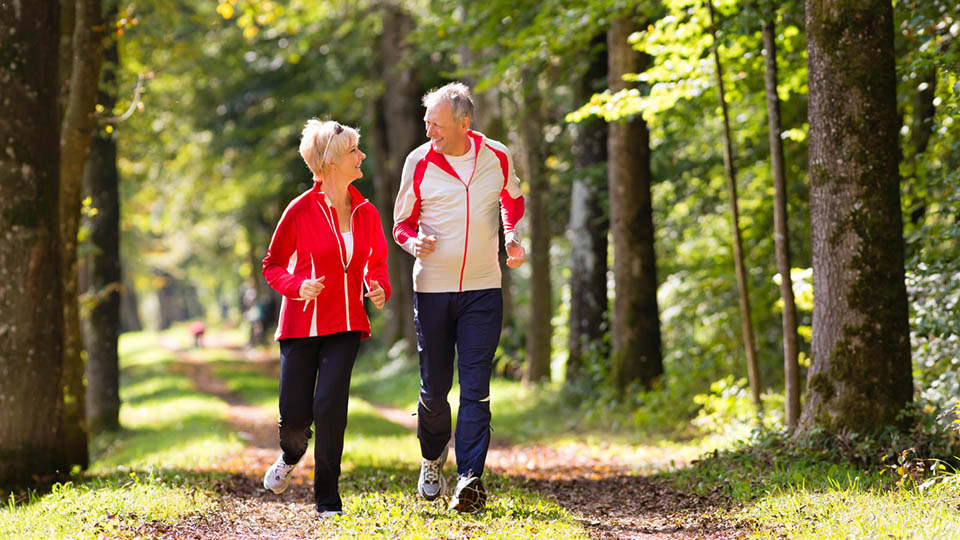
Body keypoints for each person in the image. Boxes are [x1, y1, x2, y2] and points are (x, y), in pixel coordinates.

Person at [393, 82, 526, 513]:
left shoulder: (496, 155)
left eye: (437, 123)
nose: (429, 129)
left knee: (476, 387)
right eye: (427, 121)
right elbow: (401, 224)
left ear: (463, 124)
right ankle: (432, 459)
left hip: (484, 289)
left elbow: (513, 199)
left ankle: (470, 478)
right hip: (432, 288)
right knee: (434, 390)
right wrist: (414, 243)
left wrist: (512, 236)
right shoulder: (419, 161)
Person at [261, 119, 391, 518]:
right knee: (296, 421)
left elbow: (377, 263)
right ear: (332, 161)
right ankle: (290, 454)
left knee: (331, 406)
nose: (362, 156)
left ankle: (327, 501)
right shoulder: (299, 210)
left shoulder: (366, 211)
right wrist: (297, 286)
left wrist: (378, 286)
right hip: (301, 326)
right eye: (354, 150)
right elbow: (272, 264)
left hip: (347, 322)